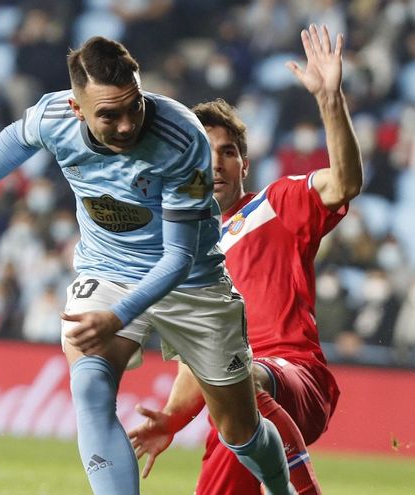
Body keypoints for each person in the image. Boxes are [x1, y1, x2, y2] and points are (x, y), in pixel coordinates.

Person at [0, 36, 293, 495]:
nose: (127, 126)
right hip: (106, 269)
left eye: (134, 108)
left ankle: (281, 490)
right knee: (89, 385)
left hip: (191, 282)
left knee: (240, 432)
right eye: (109, 115)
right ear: (77, 108)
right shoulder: (53, 116)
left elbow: (178, 257)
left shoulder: (181, 138)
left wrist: (118, 316)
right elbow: (16, 138)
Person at [128, 25, 363, 494]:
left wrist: (330, 101)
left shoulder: (276, 204)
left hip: (294, 378)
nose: (216, 164)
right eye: (203, 153)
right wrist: (172, 418)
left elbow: (345, 182)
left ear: (244, 165)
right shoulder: (182, 252)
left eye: (228, 152)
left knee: (238, 376)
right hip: (233, 401)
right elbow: (194, 361)